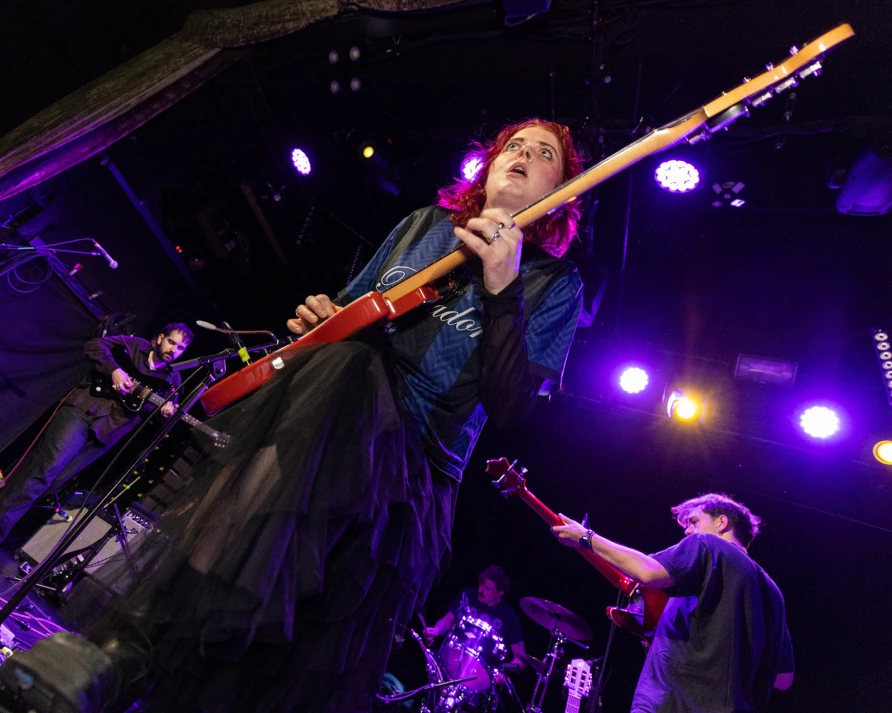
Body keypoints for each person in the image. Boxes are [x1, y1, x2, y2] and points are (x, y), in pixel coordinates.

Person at [1, 119, 584, 713]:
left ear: (561, 191)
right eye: (513, 145)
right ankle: (130, 650)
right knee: (328, 389)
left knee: (296, 627)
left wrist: (503, 289)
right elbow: (352, 314)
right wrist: (322, 319)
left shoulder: (555, 283)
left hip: (413, 467)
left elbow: (510, 407)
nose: (523, 154)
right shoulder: (425, 225)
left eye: (545, 154)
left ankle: (151, 669)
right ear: (488, 166)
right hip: (335, 414)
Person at [551, 493, 795, 713]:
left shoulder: (707, 544)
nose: (688, 531)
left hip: (671, 704)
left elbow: (647, 571)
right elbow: (783, 679)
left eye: (694, 522)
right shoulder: (773, 593)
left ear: (722, 523)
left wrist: (586, 537)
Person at [0, 324, 193, 545]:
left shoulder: (172, 380)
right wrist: (114, 370)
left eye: (180, 348)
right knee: (45, 469)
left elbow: (156, 420)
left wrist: (165, 413)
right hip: (84, 408)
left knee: (53, 482)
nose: (174, 350)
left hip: (108, 431)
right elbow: (94, 345)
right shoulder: (134, 345)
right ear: (160, 338)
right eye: (171, 342)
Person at [424, 565, 527, 682]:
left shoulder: (508, 616)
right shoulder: (468, 595)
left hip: (479, 675)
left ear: (499, 593)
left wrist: (504, 672)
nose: (480, 590)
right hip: (452, 656)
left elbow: (521, 657)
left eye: (487, 588)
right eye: (481, 584)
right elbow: (447, 621)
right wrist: (436, 630)